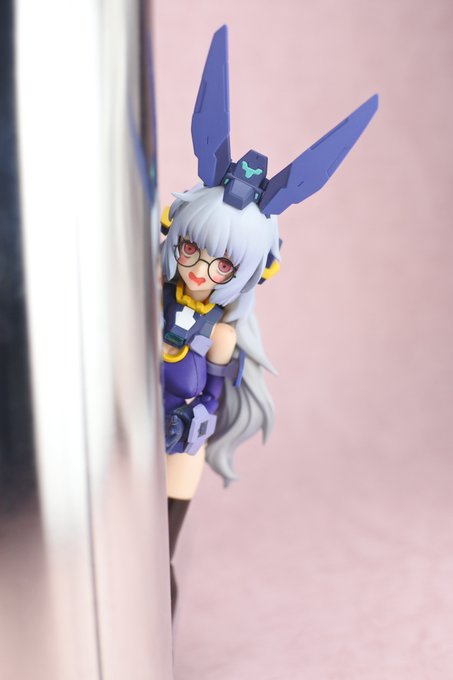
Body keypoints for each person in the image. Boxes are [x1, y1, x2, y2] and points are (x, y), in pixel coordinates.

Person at [160, 25, 378, 615]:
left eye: (223, 264)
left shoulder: (222, 333)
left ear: (249, 273)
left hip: (177, 437)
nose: (201, 271)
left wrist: (193, 418)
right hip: (125, 436)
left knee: (159, 554)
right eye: (192, 250)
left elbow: (212, 393)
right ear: (175, 235)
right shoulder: (152, 300)